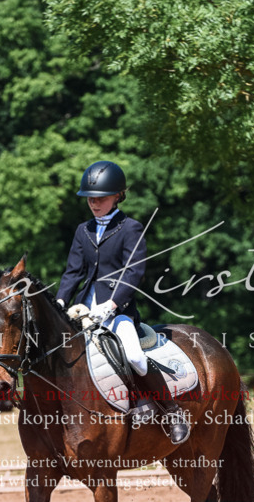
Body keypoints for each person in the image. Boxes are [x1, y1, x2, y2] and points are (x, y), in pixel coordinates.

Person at [56, 160, 189, 444]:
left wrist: (113, 305)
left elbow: (134, 271)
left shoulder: (130, 228)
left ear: (117, 195)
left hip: (117, 312)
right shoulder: (83, 230)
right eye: (90, 198)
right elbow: (73, 272)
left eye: (101, 198)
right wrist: (60, 300)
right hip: (83, 311)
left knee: (133, 356)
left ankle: (171, 411)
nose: (94, 203)